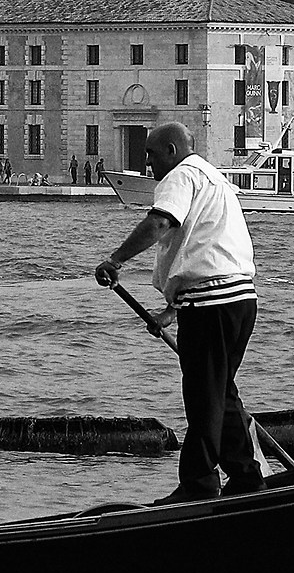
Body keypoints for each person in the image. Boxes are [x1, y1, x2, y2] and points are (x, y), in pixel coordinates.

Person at [92, 121, 264, 505]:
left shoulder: (179, 176)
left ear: (170, 150)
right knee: (221, 391)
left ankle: (199, 485)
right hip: (238, 301)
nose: (147, 162)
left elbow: (160, 223)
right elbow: (208, 249)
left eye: (151, 154)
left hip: (212, 305)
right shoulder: (213, 178)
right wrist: (172, 311)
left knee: (203, 396)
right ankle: (247, 477)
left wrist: (115, 259)